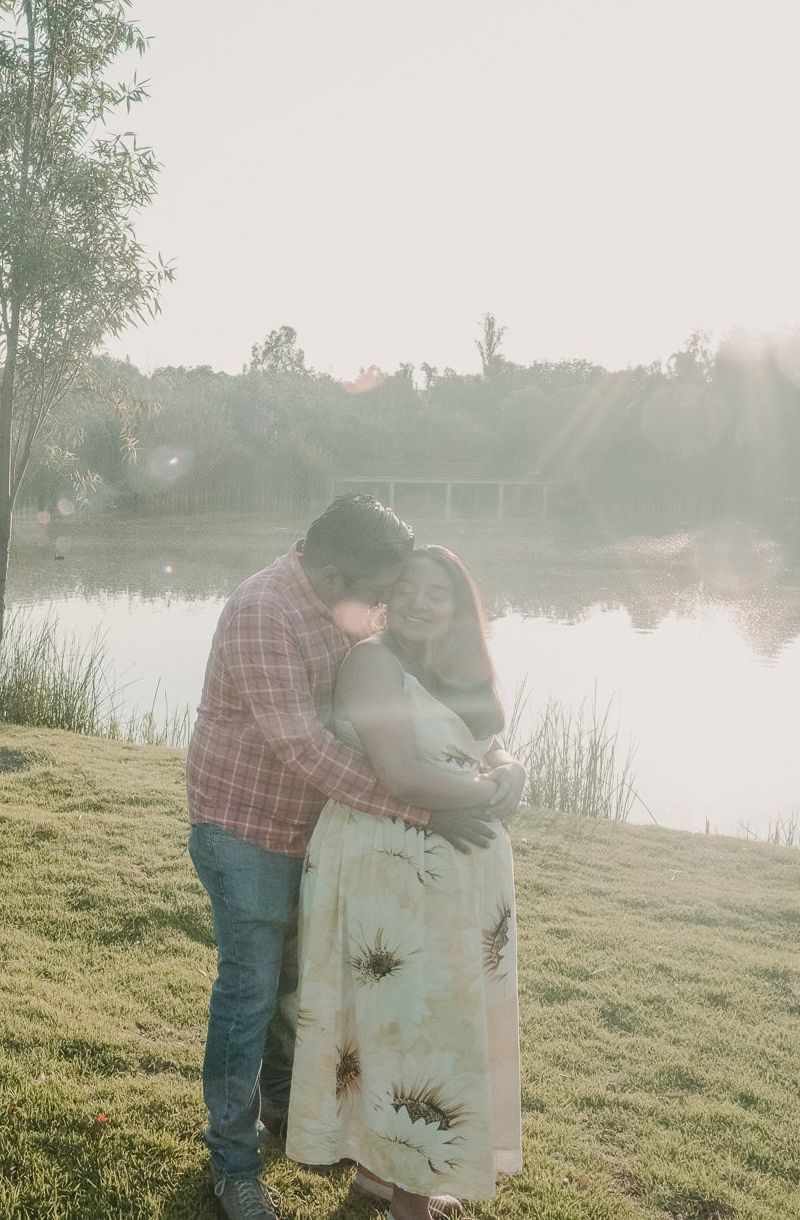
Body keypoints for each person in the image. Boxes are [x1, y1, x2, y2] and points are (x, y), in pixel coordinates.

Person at [186, 497, 502, 1220]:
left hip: (322, 835)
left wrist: (488, 760)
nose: (388, 603)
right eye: (382, 590)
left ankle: (300, 1124)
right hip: (245, 826)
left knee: (301, 991)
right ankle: (234, 1165)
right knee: (249, 995)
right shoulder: (262, 611)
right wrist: (429, 805)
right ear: (332, 571)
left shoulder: (346, 599)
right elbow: (303, 746)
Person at [285, 545, 525, 1218]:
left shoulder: (452, 666)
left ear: (460, 606)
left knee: (411, 1020)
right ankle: (408, 1204)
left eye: (439, 592)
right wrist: (484, 793)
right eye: (409, 587)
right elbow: (401, 773)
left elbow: (485, 740)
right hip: (389, 873)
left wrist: (510, 765)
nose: (422, 601)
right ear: (389, 593)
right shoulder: (372, 662)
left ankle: (377, 1173)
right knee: (416, 1031)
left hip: (448, 884)